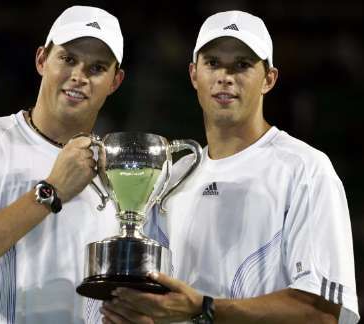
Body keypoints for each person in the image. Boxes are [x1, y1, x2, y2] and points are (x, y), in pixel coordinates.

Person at [100, 10, 359, 324]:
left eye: (242, 65)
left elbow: (321, 314)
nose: (225, 76)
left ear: (269, 79)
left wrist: (204, 308)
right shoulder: (174, 175)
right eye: (212, 63)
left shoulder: (305, 168)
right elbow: (162, 300)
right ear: (194, 75)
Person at [0, 5, 125, 324]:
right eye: (68, 59)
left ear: (115, 81)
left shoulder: (121, 176)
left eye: (97, 67)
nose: (79, 77)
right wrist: (50, 192)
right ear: (42, 59)